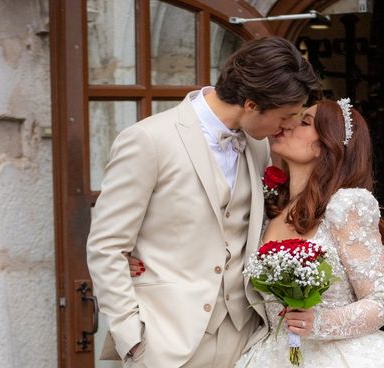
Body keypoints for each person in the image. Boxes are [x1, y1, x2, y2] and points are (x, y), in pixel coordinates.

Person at [87, 37, 322, 368]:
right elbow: (107, 246)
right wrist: (132, 339)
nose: (289, 126)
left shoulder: (260, 148)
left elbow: (279, 218)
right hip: (166, 341)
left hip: (246, 336)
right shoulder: (149, 140)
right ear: (252, 104)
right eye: (286, 116)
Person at [234, 99, 384, 367]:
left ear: (325, 146)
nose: (288, 126)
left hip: (339, 356)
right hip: (273, 354)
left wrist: (318, 323)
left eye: (304, 122)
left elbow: (380, 303)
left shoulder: (346, 205)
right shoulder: (268, 210)